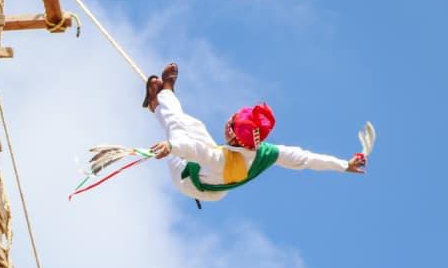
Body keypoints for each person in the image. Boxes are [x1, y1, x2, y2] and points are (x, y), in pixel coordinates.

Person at [143, 62, 367, 204]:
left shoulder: (221, 159)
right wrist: (344, 165)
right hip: (217, 184)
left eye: (231, 121)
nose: (229, 119)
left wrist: (171, 147)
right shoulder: (264, 152)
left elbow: (195, 150)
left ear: (232, 136)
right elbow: (306, 159)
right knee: (196, 126)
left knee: (178, 129)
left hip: (190, 181)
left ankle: (160, 98)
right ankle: (159, 100)